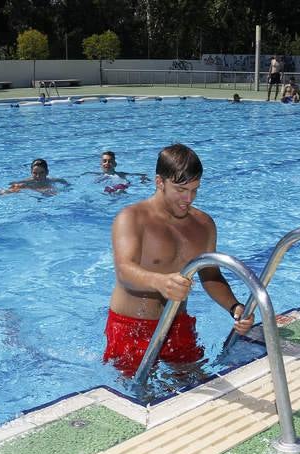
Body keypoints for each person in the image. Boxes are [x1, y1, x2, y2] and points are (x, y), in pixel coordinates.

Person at [103, 143, 255, 375]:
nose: (189, 198)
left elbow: (211, 275)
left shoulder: (203, 225)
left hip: (177, 323)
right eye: (181, 190)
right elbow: (125, 271)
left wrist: (234, 307)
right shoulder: (132, 218)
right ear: (159, 182)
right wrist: (160, 282)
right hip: (131, 327)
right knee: (139, 398)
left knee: (197, 382)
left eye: (195, 189)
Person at [0, 158, 69, 195]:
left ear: (47, 172)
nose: (38, 176)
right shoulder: (27, 182)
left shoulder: (51, 180)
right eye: (35, 173)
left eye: (41, 173)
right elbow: (13, 184)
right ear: (31, 173)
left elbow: (63, 181)